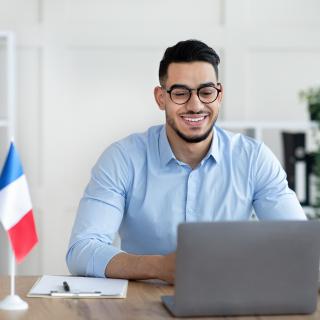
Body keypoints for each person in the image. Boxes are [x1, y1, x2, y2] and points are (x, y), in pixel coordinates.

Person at [66, 39, 306, 284]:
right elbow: (81, 251)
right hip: (139, 305)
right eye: (180, 93)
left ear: (219, 95)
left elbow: (299, 243)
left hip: (229, 298)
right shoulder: (122, 159)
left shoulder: (254, 159)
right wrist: (159, 267)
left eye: (206, 92)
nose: (195, 105)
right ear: (161, 98)